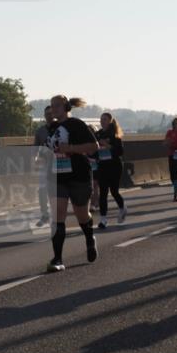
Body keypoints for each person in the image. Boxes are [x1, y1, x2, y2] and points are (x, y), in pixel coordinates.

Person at [44, 95, 99, 272]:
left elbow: (94, 146)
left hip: (79, 176)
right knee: (57, 216)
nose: (53, 109)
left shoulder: (76, 124)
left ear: (66, 107)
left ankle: (89, 238)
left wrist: (71, 149)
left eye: (57, 106)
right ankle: (57, 259)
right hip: (58, 176)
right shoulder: (52, 127)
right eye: (52, 106)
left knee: (81, 215)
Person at [95, 112, 127, 229]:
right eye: (101, 119)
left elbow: (120, 152)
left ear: (109, 121)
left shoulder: (115, 135)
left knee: (114, 191)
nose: (102, 121)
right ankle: (103, 219)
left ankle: (122, 208)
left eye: (104, 119)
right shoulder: (97, 134)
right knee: (103, 193)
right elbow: (93, 149)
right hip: (102, 166)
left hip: (114, 166)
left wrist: (107, 146)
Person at [33, 106, 56, 227]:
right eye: (47, 114)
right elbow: (35, 148)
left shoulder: (61, 128)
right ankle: (45, 215)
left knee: (56, 190)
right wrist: (35, 159)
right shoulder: (40, 131)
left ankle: (56, 215)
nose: (49, 116)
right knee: (42, 189)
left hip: (59, 164)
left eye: (51, 114)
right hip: (45, 164)